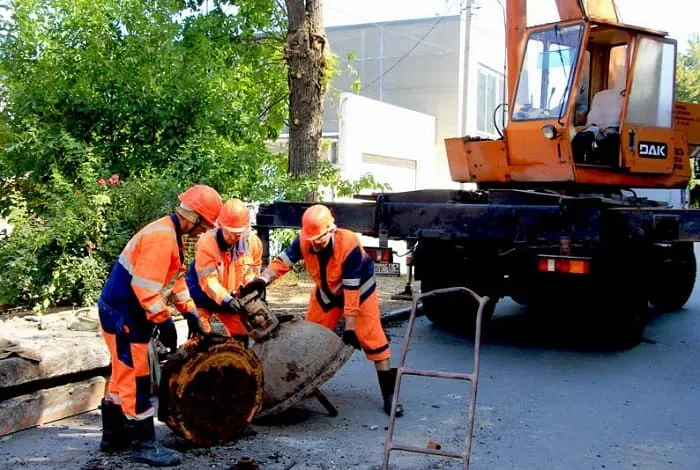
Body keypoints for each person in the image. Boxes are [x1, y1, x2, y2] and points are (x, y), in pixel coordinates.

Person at [97, 184, 223, 466]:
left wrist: (190, 312)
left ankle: (113, 435)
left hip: (125, 311)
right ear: (194, 217)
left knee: (122, 374)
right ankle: (143, 443)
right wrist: (165, 321)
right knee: (136, 376)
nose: (203, 232)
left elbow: (174, 280)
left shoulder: (171, 234)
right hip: (123, 314)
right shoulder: (162, 238)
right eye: (203, 225)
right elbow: (145, 290)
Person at [247, 204, 404, 417]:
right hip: (326, 292)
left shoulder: (349, 244)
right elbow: (284, 261)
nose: (316, 244)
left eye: (320, 238)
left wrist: (349, 328)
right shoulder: (305, 240)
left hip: (359, 291)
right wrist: (262, 280)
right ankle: (306, 385)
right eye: (312, 240)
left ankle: (389, 395)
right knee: (310, 337)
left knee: (373, 339)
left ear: (332, 230)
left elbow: (351, 289)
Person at [185, 198, 263, 346]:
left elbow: (252, 273)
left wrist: (253, 286)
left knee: (241, 338)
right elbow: (209, 281)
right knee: (200, 339)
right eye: (230, 232)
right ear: (220, 226)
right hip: (202, 296)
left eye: (238, 233)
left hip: (232, 299)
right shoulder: (207, 242)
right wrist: (225, 299)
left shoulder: (253, 244)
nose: (234, 237)